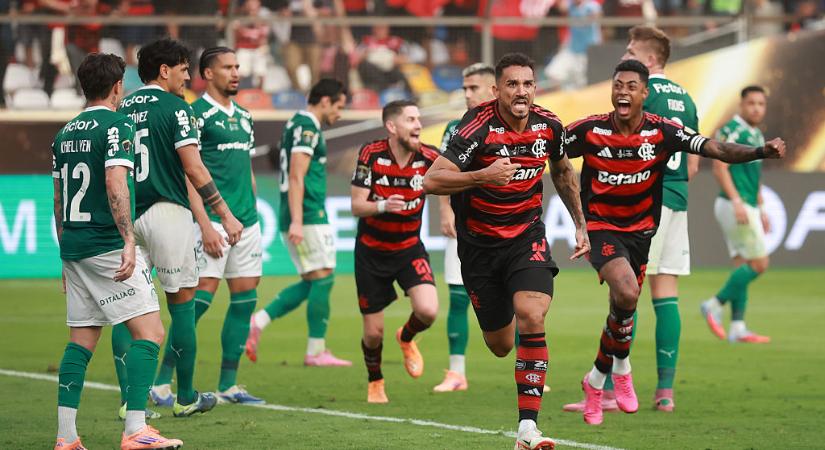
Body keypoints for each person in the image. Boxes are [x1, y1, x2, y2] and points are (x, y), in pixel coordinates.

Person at [562, 59, 784, 426]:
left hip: (641, 233)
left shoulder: (663, 131)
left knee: (621, 308)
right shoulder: (589, 129)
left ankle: (595, 380)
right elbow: (548, 150)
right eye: (618, 85)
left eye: (631, 86)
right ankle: (623, 369)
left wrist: (761, 152)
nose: (623, 91)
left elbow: (715, 149)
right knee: (628, 293)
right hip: (602, 228)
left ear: (644, 94)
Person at [424, 53, 589, 450]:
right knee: (500, 345)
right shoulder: (476, 126)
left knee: (532, 313)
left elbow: (563, 171)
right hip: (479, 248)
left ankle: (527, 429)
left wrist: (581, 223)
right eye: (512, 84)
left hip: (525, 238)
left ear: (536, 88)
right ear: (497, 90)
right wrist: (483, 175)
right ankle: (519, 337)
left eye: (527, 84)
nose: (521, 92)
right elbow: (432, 180)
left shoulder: (549, 125)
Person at [563, 24, 701, 414]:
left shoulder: (643, 95)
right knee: (665, 292)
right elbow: (692, 164)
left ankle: (606, 386)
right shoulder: (686, 98)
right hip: (677, 197)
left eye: (632, 50)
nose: (625, 56)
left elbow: (630, 146)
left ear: (650, 61)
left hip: (639, 204)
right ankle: (665, 391)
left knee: (625, 293)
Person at [51, 52, 181, 450]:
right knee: (151, 332)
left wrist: (64, 253)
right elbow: (115, 183)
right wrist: (128, 240)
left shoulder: (65, 133)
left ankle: (67, 438)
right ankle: (136, 431)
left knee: (82, 341)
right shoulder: (117, 124)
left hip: (75, 245)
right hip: (106, 244)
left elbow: (58, 198)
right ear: (118, 86)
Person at [114, 38, 244, 418]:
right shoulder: (177, 108)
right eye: (184, 69)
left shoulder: (120, 106)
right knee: (182, 307)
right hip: (168, 213)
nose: (189, 75)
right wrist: (224, 212)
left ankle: (129, 402)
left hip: (126, 215)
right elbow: (194, 167)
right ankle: (186, 397)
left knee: (127, 310)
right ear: (165, 70)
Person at [149, 47, 264, 406]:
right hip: (211, 223)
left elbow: (246, 169)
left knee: (245, 300)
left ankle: (229, 385)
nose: (235, 72)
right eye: (227, 67)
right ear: (207, 74)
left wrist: (253, 212)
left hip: (246, 222)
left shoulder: (245, 116)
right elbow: (189, 174)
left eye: (237, 66)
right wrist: (206, 224)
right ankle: (161, 381)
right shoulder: (194, 114)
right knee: (196, 304)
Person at [245, 79, 350, 366]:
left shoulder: (299, 124)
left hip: (309, 211)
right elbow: (296, 175)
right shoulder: (306, 125)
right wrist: (297, 220)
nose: (339, 114)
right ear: (325, 101)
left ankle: (260, 322)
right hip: (307, 213)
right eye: (339, 106)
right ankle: (315, 351)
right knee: (323, 277)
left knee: (315, 278)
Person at [351, 100, 441, 404]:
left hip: (409, 249)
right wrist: (381, 205)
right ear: (392, 127)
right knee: (373, 333)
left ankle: (405, 336)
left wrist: (448, 212)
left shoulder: (429, 156)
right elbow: (356, 206)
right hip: (371, 252)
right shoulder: (371, 153)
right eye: (410, 119)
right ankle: (375, 380)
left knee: (428, 311)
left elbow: (453, 180)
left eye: (419, 118)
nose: (418, 125)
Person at [432, 62, 496, 393]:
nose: (467, 94)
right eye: (464, 88)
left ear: (492, 89)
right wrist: (444, 211)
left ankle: (529, 371)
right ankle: (456, 372)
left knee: (520, 298)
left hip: (503, 225)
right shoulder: (455, 128)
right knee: (458, 297)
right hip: (464, 222)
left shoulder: (511, 124)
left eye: (473, 88)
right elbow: (442, 173)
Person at [700, 85, 772, 344]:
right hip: (735, 205)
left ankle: (738, 327)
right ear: (741, 105)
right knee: (760, 263)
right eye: (751, 103)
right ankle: (714, 304)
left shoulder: (756, 135)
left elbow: (756, 177)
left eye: (761, 104)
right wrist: (737, 201)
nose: (756, 108)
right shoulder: (730, 130)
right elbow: (720, 169)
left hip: (747, 204)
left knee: (743, 264)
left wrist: (762, 208)